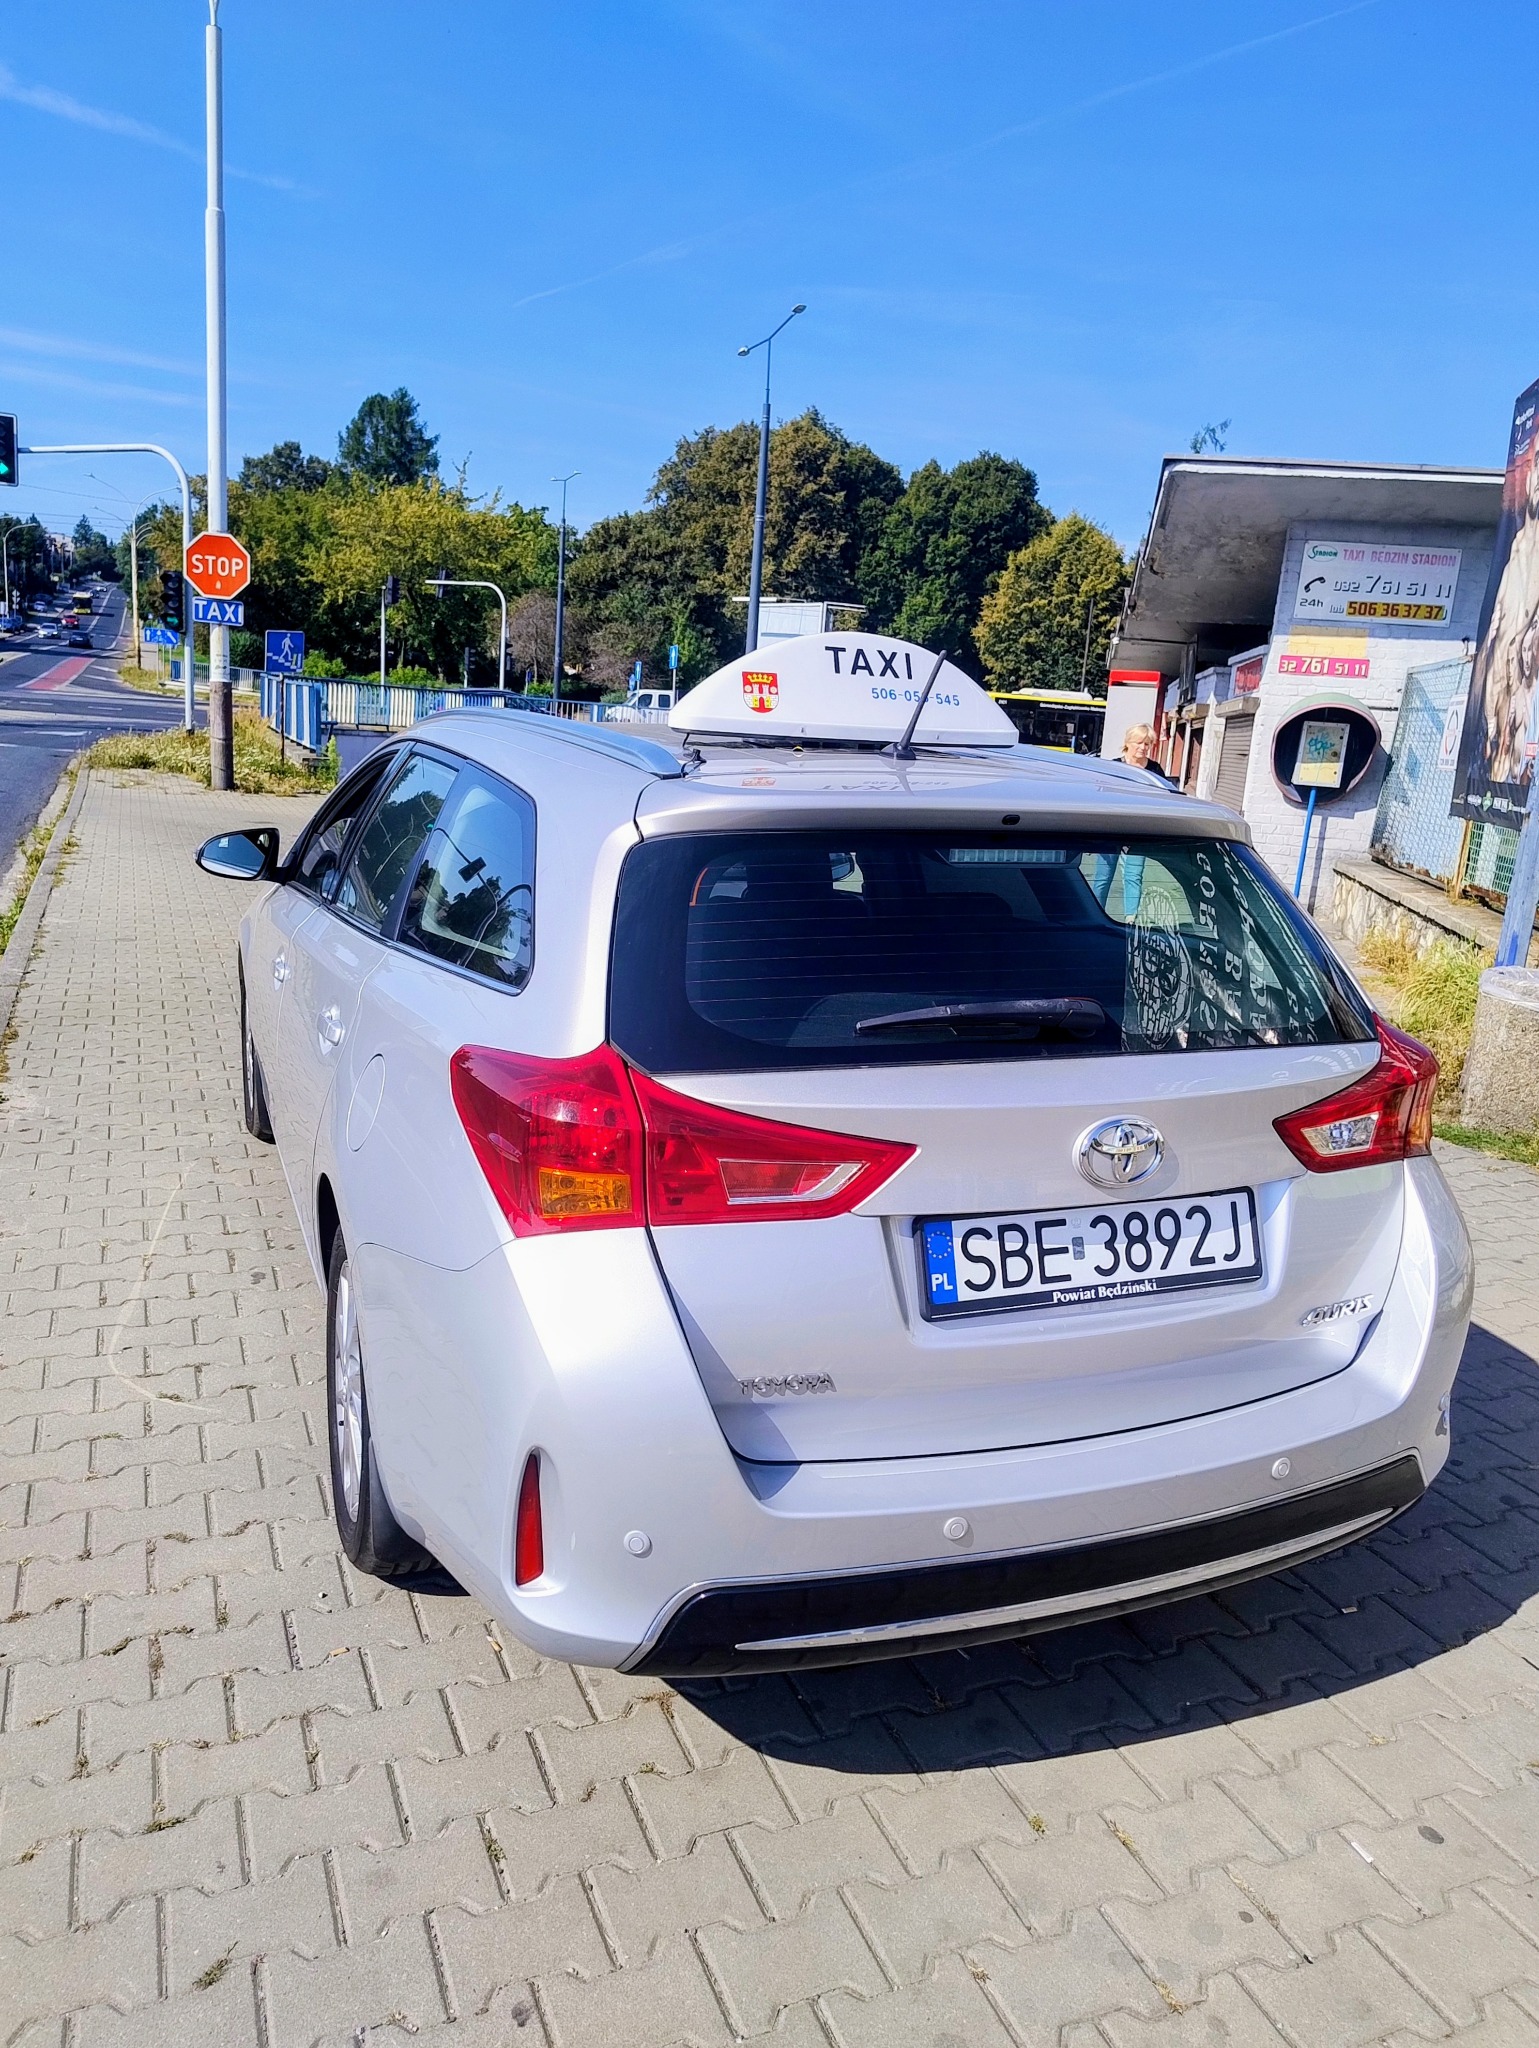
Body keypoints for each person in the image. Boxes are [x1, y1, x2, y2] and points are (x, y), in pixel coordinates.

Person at [1087, 724, 1175, 914]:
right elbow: (1102, 796)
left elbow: (1163, 797)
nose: (1143, 748)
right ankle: (1094, 914)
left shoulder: (1155, 769)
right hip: (1112, 829)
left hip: (1140, 830)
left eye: (1147, 744)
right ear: (1128, 743)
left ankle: (1130, 920)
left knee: (1134, 876)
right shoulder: (1114, 766)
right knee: (1103, 877)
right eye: (1139, 743)